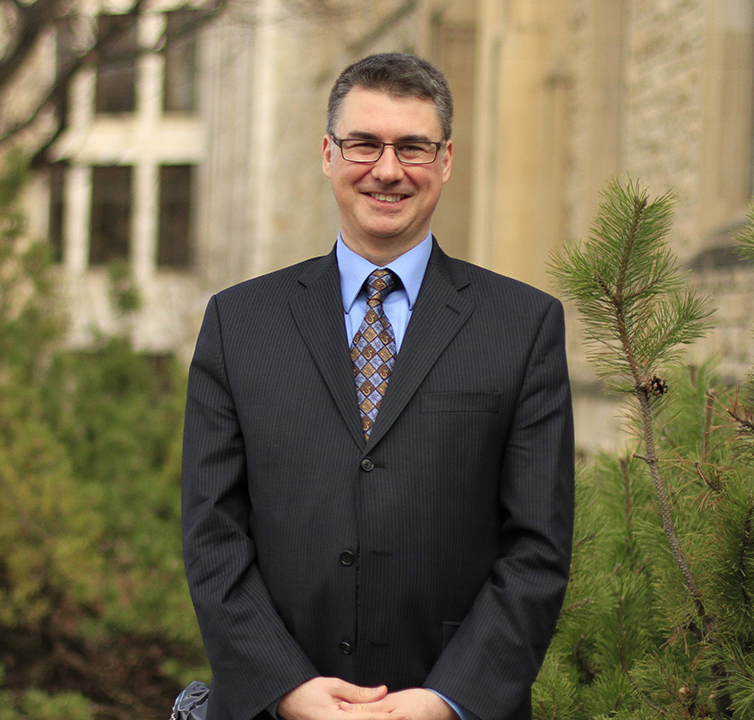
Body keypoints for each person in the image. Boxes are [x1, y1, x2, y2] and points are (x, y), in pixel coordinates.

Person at [181, 52, 574, 720]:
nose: (387, 170)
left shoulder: (523, 327)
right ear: (328, 154)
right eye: (365, 144)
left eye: (413, 147)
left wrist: (448, 699)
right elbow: (212, 533)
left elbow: (537, 548)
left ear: (445, 160)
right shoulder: (238, 323)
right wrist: (285, 688)